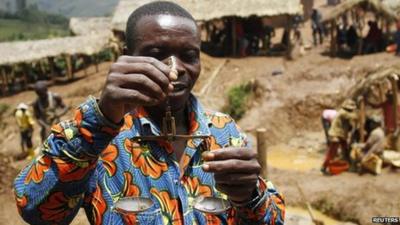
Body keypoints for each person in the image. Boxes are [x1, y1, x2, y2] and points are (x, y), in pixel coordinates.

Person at [14, 2, 285, 225]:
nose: (175, 70)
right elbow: (37, 212)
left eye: (189, 55)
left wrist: (250, 196)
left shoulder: (223, 131)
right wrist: (100, 119)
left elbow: (271, 220)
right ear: (126, 57)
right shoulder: (94, 140)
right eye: (156, 54)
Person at [322, 99, 358, 174]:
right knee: (332, 152)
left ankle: (349, 165)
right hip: (335, 134)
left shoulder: (344, 114)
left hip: (340, 134)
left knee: (345, 149)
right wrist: (360, 114)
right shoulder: (343, 113)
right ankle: (324, 167)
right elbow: (354, 117)